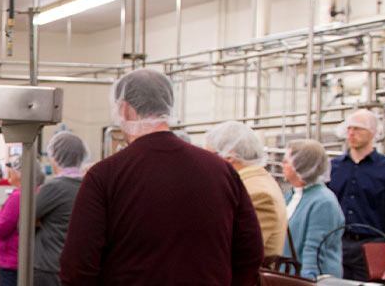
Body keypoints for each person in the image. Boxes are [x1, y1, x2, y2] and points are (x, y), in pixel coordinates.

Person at [60, 69, 263, 285]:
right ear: (168, 105)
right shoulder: (222, 171)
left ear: (124, 109)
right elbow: (250, 252)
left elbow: (78, 266)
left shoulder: (104, 175)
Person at [328, 109, 385, 281]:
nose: (351, 133)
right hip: (336, 244)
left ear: (373, 133)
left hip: (371, 246)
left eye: (358, 129)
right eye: (349, 128)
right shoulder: (333, 168)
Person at [205, 121, 287, 258]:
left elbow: (238, 253)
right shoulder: (252, 182)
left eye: (209, 156)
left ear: (229, 156)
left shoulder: (256, 193)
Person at [281, 139, 344, 279]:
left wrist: (308, 280)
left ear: (301, 166)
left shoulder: (323, 202)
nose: (282, 165)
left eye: (286, 162)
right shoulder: (291, 196)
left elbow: (314, 251)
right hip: (290, 277)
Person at [31, 132, 87, 286]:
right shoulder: (88, 186)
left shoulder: (53, 187)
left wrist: (41, 222)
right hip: (77, 264)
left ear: (55, 157)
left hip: (50, 267)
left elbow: (23, 222)